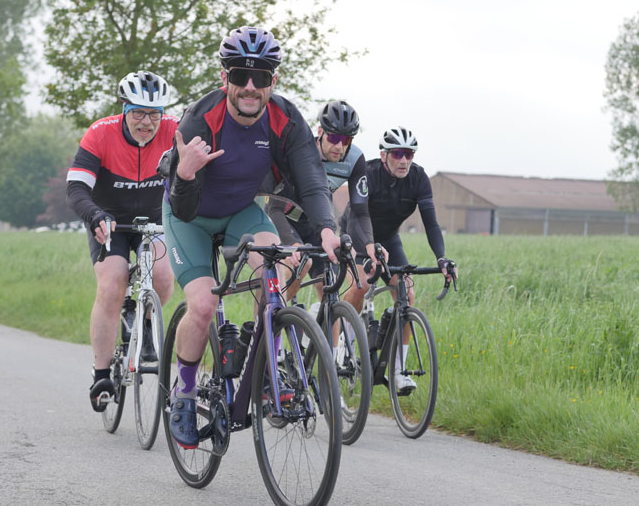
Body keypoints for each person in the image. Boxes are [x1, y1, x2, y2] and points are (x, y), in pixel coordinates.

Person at [163, 26, 341, 449]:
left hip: (241, 211)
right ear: (223, 76)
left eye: (260, 77)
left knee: (280, 270)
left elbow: (312, 180)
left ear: (272, 81)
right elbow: (183, 208)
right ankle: (184, 393)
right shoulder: (202, 118)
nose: (249, 86)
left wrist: (327, 229)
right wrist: (185, 172)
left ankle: (262, 367)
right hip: (189, 217)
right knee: (203, 305)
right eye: (240, 75)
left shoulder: (286, 119)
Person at [66, 70, 179, 411]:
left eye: (154, 114)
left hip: (156, 220)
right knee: (112, 283)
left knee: (163, 277)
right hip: (110, 220)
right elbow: (76, 188)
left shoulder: (175, 131)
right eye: (138, 113)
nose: (146, 122)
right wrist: (94, 216)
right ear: (124, 109)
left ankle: (144, 322)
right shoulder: (101, 133)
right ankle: (102, 374)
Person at [340, 126, 457, 391]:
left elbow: (431, 223)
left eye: (409, 154)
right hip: (358, 233)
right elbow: (358, 216)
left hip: (389, 239)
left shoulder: (419, 178)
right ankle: (345, 345)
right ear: (384, 155)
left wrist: (441, 258)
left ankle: (398, 371)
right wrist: (368, 248)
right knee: (361, 285)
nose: (404, 160)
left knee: (407, 295)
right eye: (397, 154)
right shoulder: (368, 173)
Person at [266, 100, 378, 360]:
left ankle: (331, 366)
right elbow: (274, 206)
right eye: (334, 138)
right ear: (320, 132)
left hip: (318, 225)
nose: (339, 146)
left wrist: (370, 247)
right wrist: (292, 245)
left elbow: (360, 211)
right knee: (298, 265)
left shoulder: (354, 159)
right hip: (285, 218)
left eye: (346, 140)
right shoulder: (301, 151)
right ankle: (270, 330)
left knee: (330, 291)